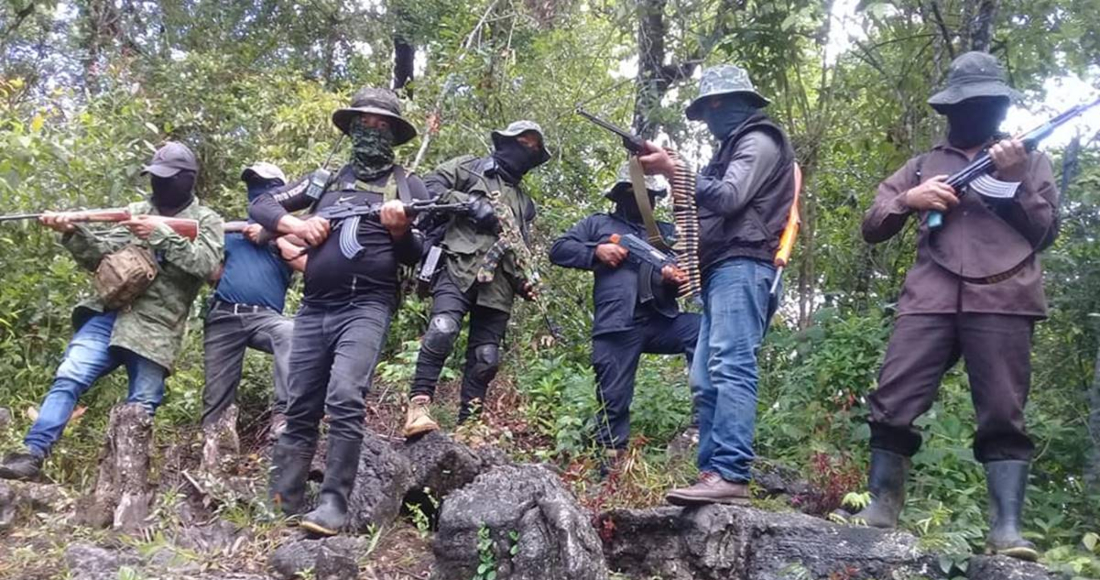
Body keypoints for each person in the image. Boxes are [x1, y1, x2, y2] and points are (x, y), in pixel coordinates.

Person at [854, 51, 1058, 562]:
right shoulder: (922, 165)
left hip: (1005, 298)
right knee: (894, 398)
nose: (978, 111)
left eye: (988, 103)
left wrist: (1013, 183)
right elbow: (872, 225)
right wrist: (909, 199)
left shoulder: (1030, 160)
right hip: (930, 297)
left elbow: (1046, 232)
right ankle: (881, 506)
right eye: (967, 104)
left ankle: (1007, 530)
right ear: (949, 109)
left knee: (1003, 412)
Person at [251, 87, 430, 536]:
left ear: (394, 133)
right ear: (350, 128)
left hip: (367, 305)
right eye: (363, 122)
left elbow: (420, 251)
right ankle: (281, 501)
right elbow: (262, 204)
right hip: (314, 307)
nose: (372, 130)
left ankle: (333, 504)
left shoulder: (409, 185)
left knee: (346, 396)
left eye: (381, 124)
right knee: (300, 404)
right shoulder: (324, 181)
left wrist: (399, 230)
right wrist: (297, 224)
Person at [0, 142, 224, 481]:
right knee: (69, 377)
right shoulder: (133, 211)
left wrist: (162, 235)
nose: (159, 182)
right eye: (156, 176)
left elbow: (206, 265)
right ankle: (33, 453)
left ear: (187, 178)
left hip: (156, 327)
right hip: (108, 313)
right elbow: (100, 257)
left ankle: (128, 482)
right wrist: (72, 231)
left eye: (166, 177)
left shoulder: (206, 220)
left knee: (141, 405)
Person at [637, 64, 796, 505]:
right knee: (705, 379)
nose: (711, 116)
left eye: (717, 105)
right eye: (706, 109)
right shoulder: (729, 147)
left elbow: (729, 196)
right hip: (720, 269)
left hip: (745, 265)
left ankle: (730, 472)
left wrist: (674, 170)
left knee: (731, 366)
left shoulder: (759, 139)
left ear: (741, 102)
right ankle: (712, 474)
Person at [549, 163, 700, 473]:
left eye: (649, 195)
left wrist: (675, 278)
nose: (643, 201)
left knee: (704, 330)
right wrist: (597, 251)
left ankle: (702, 421)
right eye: (635, 194)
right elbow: (558, 250)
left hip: (661, 320)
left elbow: (691, 272)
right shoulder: (598, 224)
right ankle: (609, 472)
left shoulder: (667, 233)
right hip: (616, 323)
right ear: (619, 195)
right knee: (613, 402)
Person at [403, 121, 551, 437]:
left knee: (486, 357)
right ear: (506, 141)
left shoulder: (525, 203)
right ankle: (418, 406)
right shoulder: (469, 168)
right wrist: (469, 204)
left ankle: (468, 427)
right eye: (523, 141)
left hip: (499, 284)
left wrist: (526, 282)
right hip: (458, 265)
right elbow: (426, 188)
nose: (528, 149)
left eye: (535, 147)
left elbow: (519, 247)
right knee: (442, 329)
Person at [202, 162, 304, 457]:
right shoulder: (233, 232)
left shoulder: (290, 234)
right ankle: (214, 449)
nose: (257, 191)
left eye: (265, 186)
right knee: (217, 392)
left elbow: (310, 264)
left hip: (265, 318)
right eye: (254, 186)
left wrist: (273, 235)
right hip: (224, 315)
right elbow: (211, 272)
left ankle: (284, 417)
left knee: (290, 333)